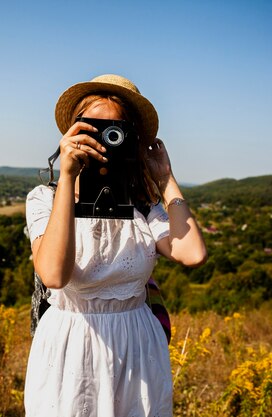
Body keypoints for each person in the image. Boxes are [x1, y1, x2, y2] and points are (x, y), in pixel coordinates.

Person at [24, 74, 207, 417]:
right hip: (70, 347)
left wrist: (165, 179)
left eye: (117, 131)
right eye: (93, 127)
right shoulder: (44, 199)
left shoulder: (142, 206)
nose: (105, 141)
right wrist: (67, 177)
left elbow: (192, 252)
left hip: (137, 347)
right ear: (73, 132)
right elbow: (53, 275)